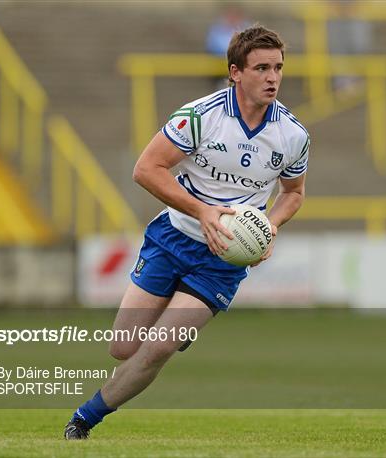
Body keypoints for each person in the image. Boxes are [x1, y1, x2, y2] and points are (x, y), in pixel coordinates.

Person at [64, 25, 310, 440]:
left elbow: (294, 193)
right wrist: (203, 211)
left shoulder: (292, 135)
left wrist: (269, 225)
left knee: (158, 348)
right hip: (174, 237)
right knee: (123, 347)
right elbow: (146, 169)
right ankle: (175, 334)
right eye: (261, 68)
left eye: (279, 68)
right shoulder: (200, 117)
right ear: (235, 72)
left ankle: (84, 419)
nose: (272, 78)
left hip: (225, 257)